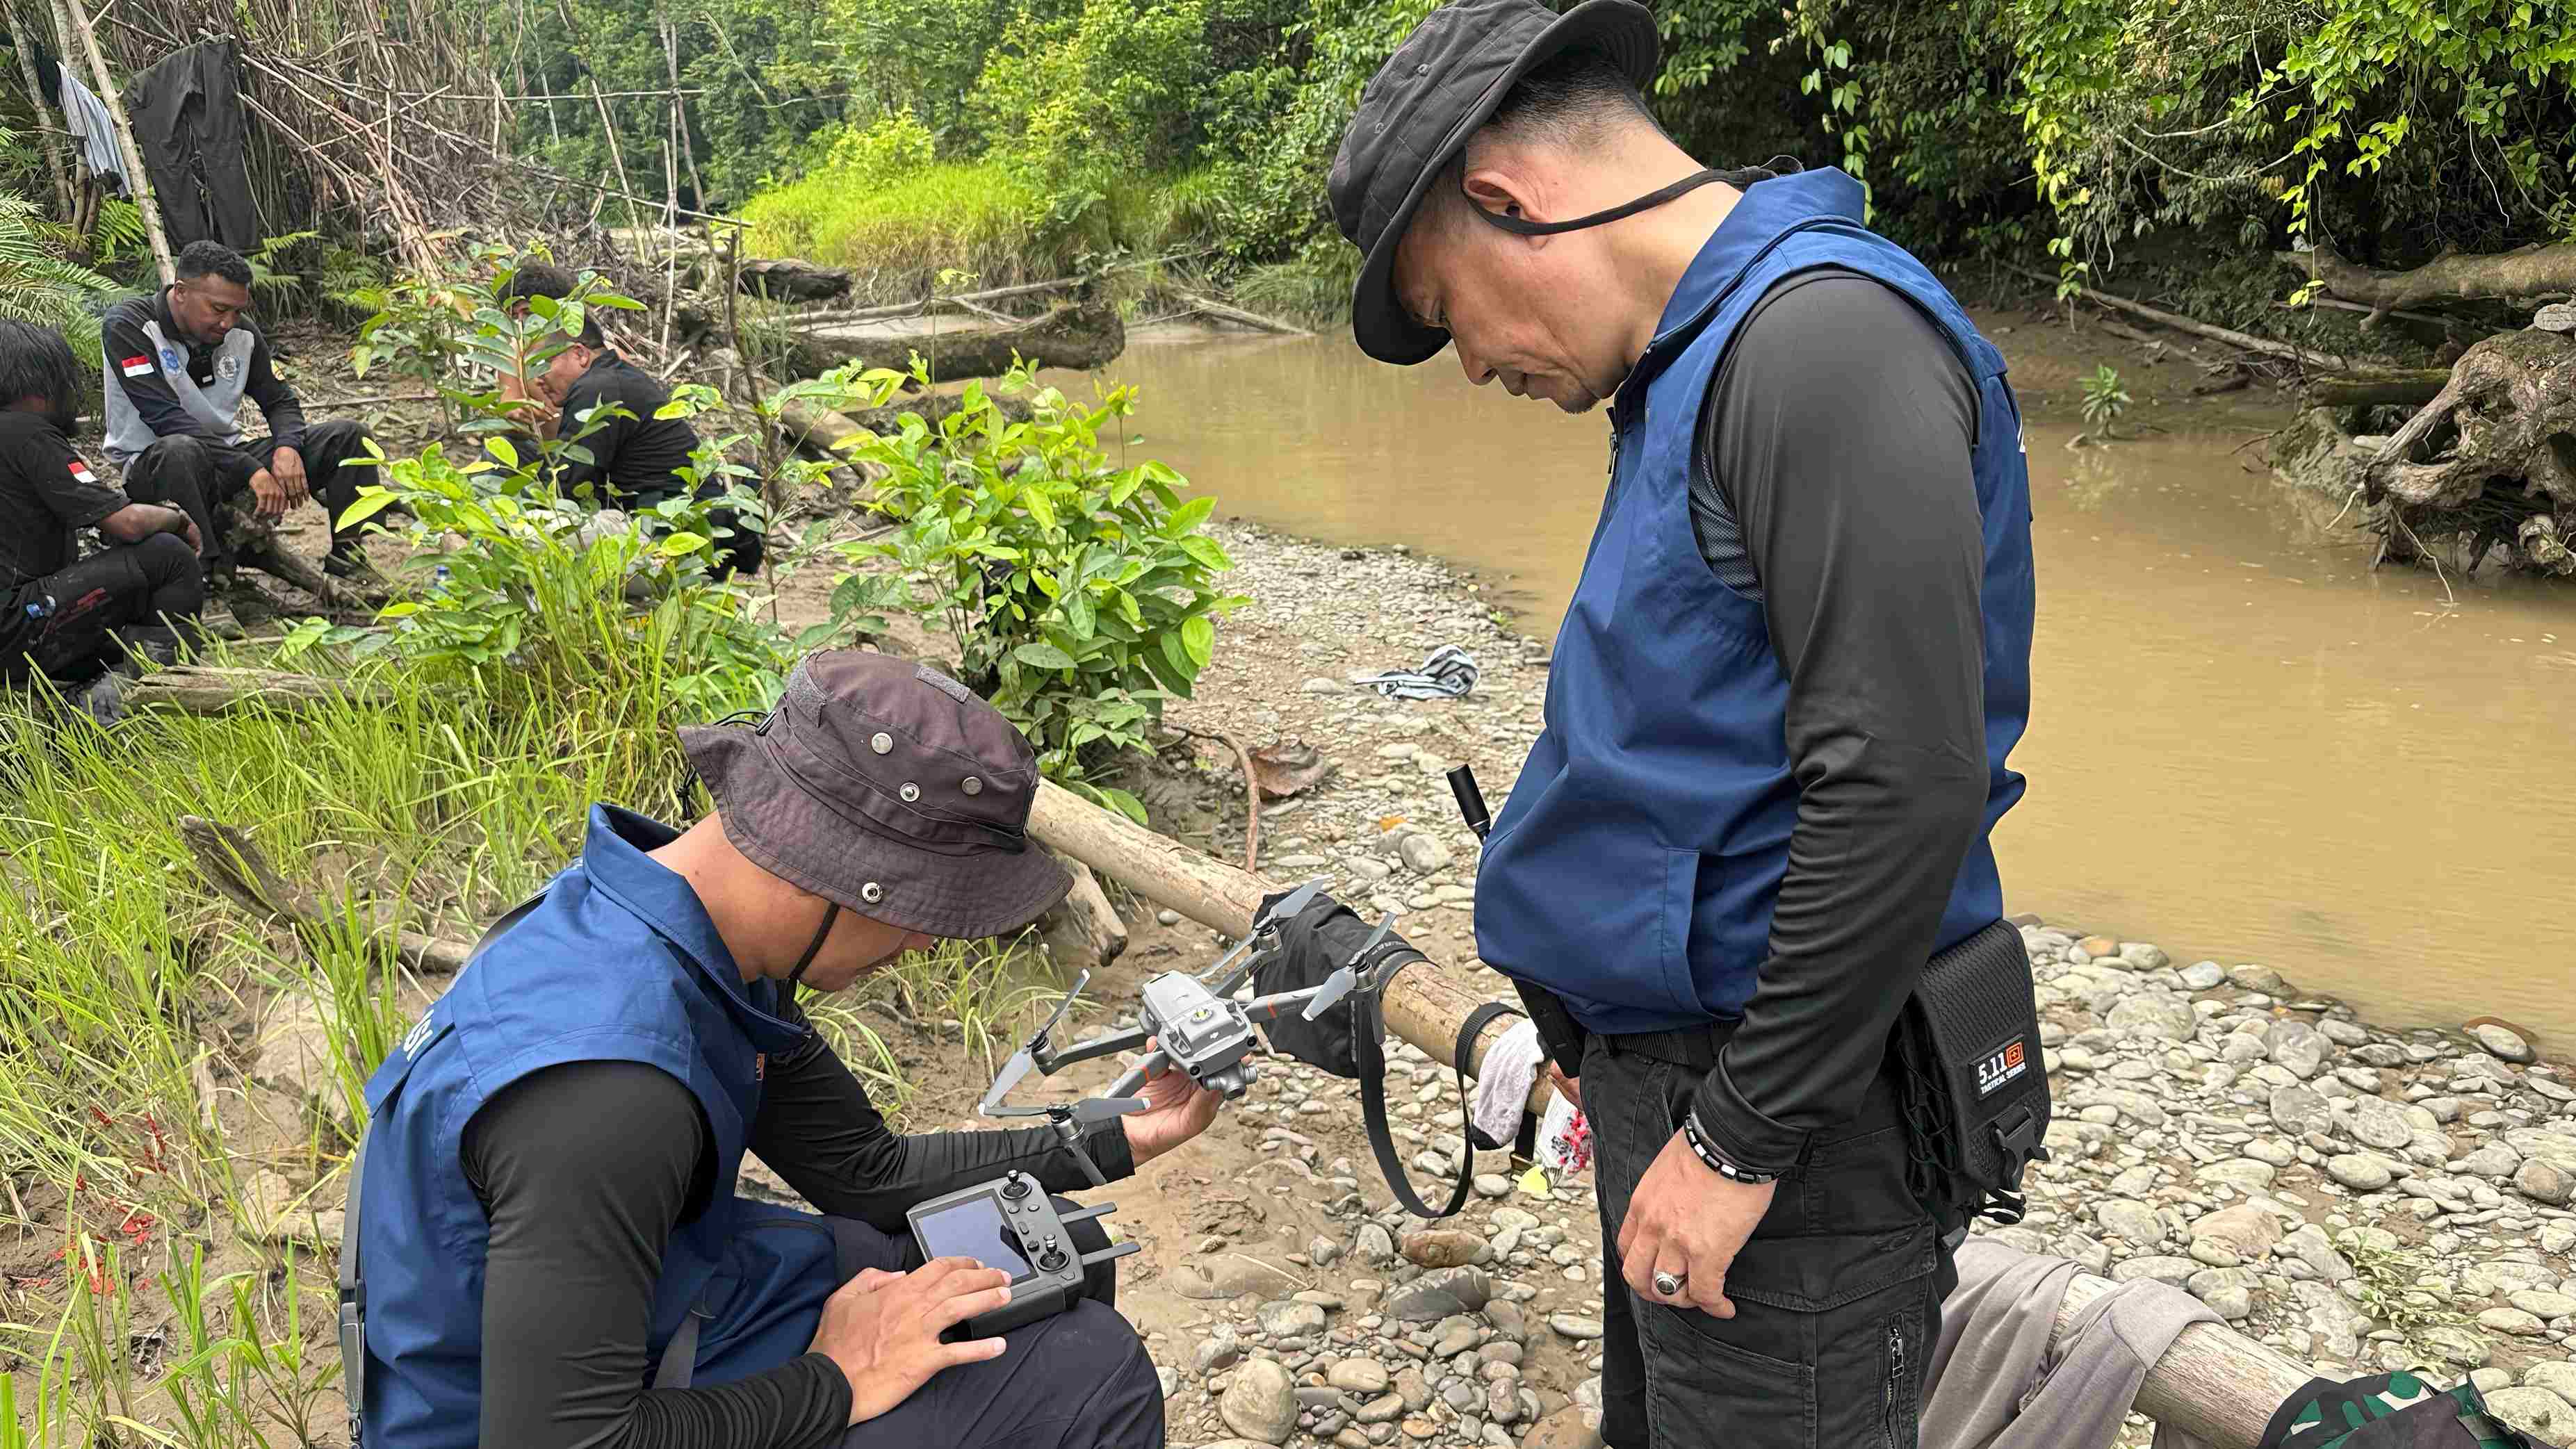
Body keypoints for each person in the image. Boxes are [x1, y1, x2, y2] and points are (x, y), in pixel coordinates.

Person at [1328, 2, 2035, 1446]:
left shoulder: (1819, 348)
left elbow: (1902, 784)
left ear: (1507, 198)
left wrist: (1735, 1138)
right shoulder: (1690, 367)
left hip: (1791, 1128)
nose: (1473, 365)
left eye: (1448, 310)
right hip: (1690, 1089)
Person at [352, 650, 1207, 1449]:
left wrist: (1115, 1135)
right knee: (1094, 1374)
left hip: (666, 1302)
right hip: (525, 1419)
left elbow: (862, 1172)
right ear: (834, 865)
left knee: (1049, 1247)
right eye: (924, 906)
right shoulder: (611, 1091)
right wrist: (834, 1381)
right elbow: (560, 1440)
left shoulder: (684, 930)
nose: (924, 941)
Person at [99, 239, 378, 597]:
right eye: (218, 309)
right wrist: (252, 470)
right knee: (180, 449)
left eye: (237, 311)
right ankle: (204, 579)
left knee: (349, 437)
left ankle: (350, 560)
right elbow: (165, 418)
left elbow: (280, 400)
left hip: (227, 462)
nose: (228, 322)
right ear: (181, 292)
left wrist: (287, 447)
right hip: (155, 468)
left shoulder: (242, 334)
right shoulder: (130, 327)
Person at [494, 261, 765, 579]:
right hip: (659, 522)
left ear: (580, 353)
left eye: (545, 363)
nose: (540, 377)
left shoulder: (598, 386)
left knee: (518, 537)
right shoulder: (604, 373)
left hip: (670, 542)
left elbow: (568, 491)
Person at [0, 319, 204, 690]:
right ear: (37, 380)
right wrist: (177, 519)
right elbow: (128, 523)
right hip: (15, 623)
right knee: (168, 557)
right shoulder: (26, 432)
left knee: (118, 644)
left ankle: (91, 692)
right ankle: (163, 695)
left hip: (19, 622)